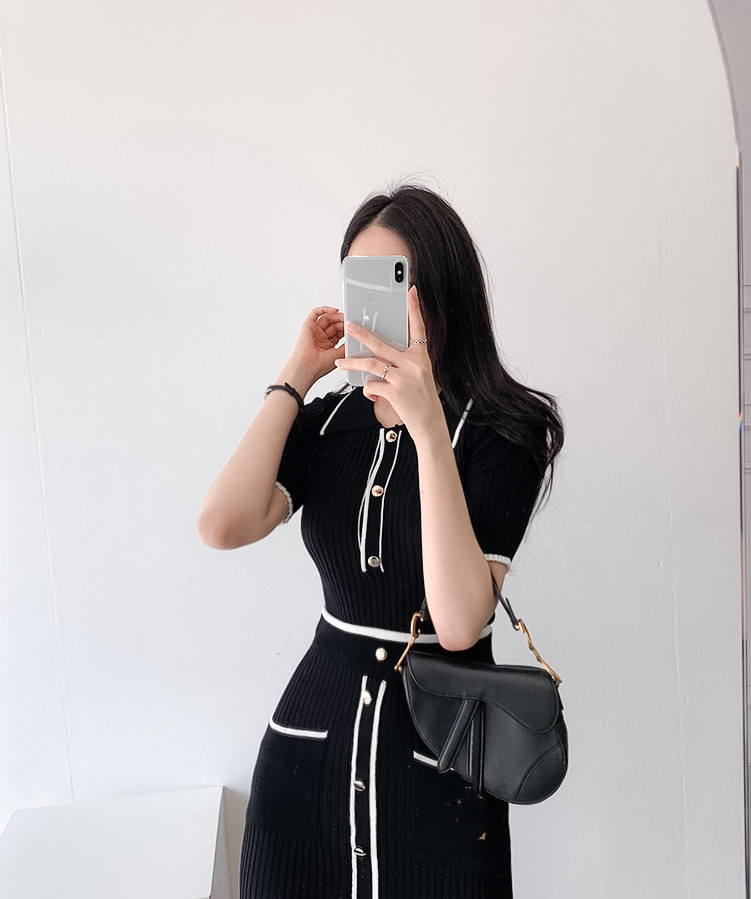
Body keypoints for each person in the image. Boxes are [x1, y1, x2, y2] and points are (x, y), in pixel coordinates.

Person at [197, 185, 564, 899]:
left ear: (440, 296)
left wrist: (426, 423)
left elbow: (458, 623)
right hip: (309, 760)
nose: (374, 309)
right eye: (360, 284)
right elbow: (221, 524)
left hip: (438, 774)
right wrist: (296, 375)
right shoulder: (330, 424)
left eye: (393, 284)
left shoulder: (504, 433)